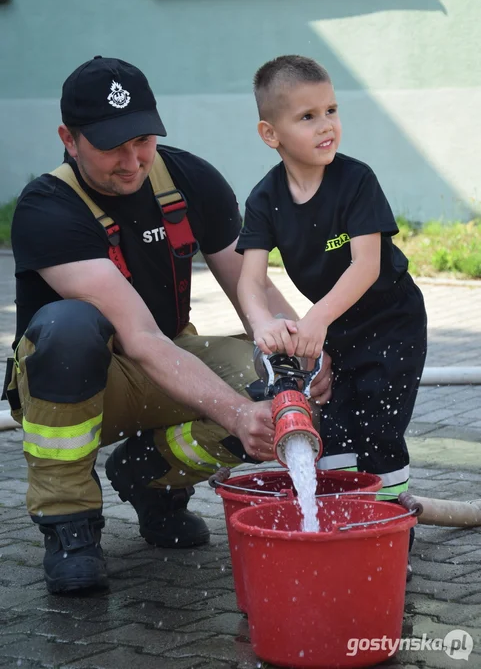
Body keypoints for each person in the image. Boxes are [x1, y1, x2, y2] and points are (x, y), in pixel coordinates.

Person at [2, 56, 332, 595]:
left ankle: (149, 478)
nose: (132, 161)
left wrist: (306, 355)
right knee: (68, 326)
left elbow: (253, 292)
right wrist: (233, 413)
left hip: (165, 362)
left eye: (143, 140)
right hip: (79, 382)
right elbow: (139, 336)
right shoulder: (47, 207)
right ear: (69, 138)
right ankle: (70, 527)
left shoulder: (190, 179)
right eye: (112, 146)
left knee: (278, 388)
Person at [236, 55, 427, 578]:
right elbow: (249, 278)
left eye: (332, 110)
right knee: (338, 429)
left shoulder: (356, 181)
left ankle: (389, 535)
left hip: (392, 321)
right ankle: (342, 529)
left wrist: (314, 322)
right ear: (269, 133)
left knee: (380, 426)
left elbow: (365, 266)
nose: (326, 125)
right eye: (307, 116)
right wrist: (263, 324)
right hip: (336, 328)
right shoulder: (266, 198)